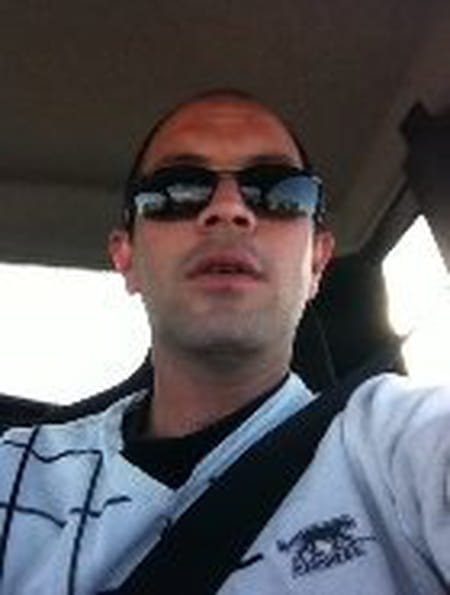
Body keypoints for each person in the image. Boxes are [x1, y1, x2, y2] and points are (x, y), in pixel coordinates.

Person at [0, 90, 449, 595]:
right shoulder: (13, 472)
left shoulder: (395, 444)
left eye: (279, 191)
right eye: (177, 189)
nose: (229, 209)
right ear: (126, 258)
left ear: (317, 263)